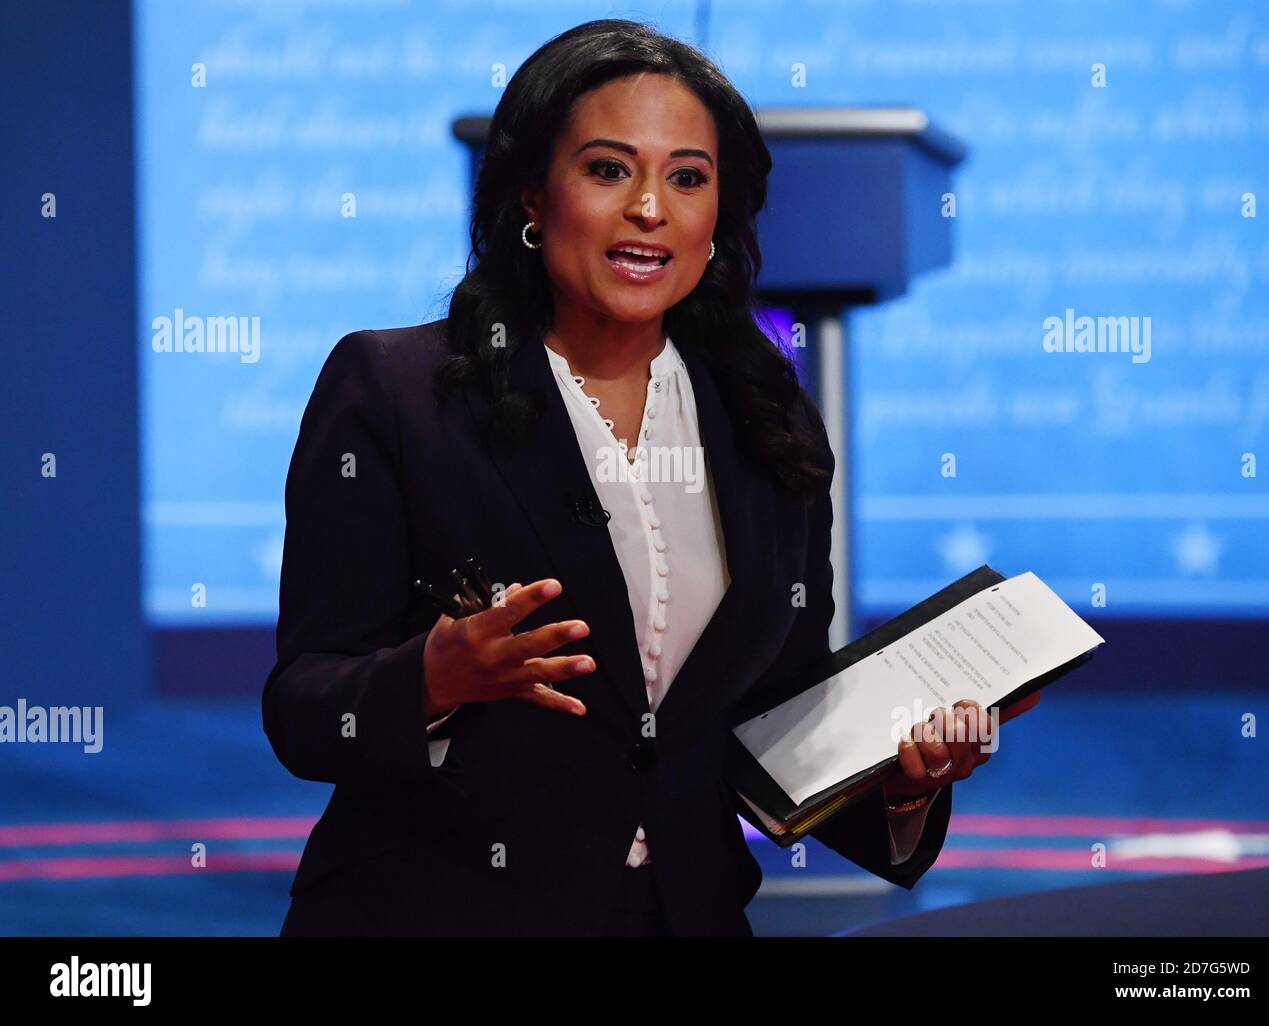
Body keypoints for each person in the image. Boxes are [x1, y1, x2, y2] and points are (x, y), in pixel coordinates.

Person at [262, 17, 1038, 937]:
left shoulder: (770, 423)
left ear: (719, 219)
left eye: (687, 178)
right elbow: (306, 709)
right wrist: (432, 679)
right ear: (531, 195)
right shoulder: (395, 393)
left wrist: (900, 782)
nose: (649, 209)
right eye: (607, 169)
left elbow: (772, 724)